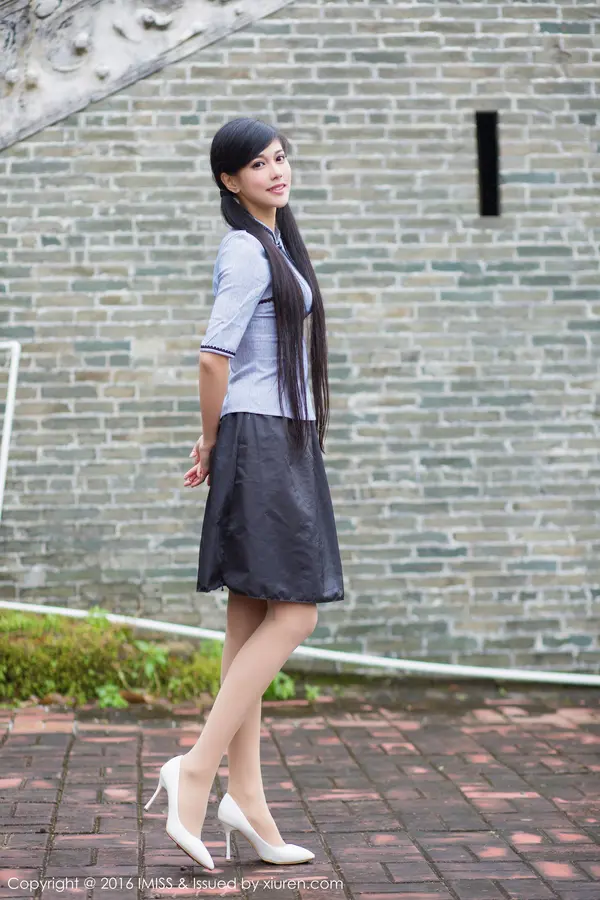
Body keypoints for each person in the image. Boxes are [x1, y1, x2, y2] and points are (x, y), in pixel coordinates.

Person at [144, 117, 344, 869]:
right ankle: (195, 769)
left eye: (280, 157)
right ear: (230, 181)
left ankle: (249, 801)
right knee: (297, 612)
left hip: (277, 434)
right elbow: (212, 357)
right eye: (258, 164)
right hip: (260, 439)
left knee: (251, 618)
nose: (276, 171)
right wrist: (212, 440)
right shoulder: (245, 250)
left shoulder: (276, 245)